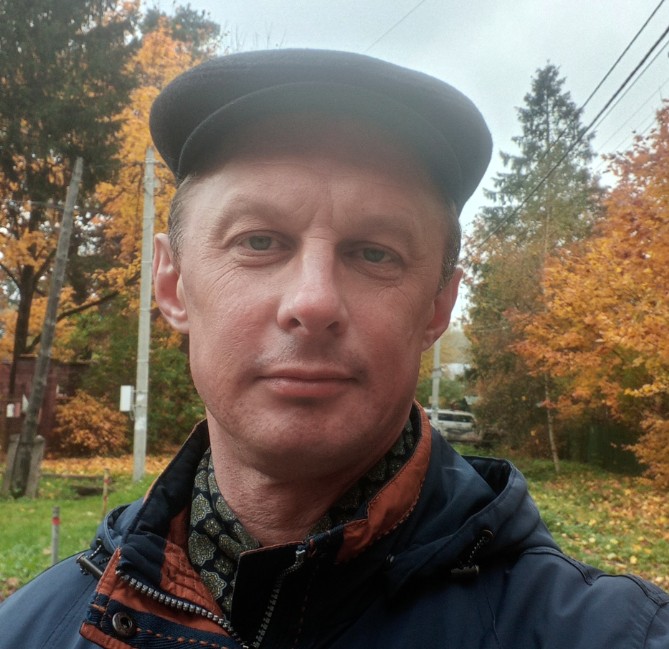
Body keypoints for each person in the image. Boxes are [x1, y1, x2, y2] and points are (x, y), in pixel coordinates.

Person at [0, 49, 667, 649]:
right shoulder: (29, 630)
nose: (314, 302)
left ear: (437, 307)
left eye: (374, 253)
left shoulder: (614, 635)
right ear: (172, 284)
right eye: (259, 241)